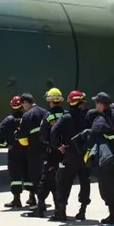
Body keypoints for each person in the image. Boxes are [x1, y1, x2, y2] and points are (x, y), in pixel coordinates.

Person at [87, 92, 114, 225]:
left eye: (96, 103)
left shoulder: (99, 120)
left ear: (100, 104)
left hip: (106, 158)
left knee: (106, 185)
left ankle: (113, 215)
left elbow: (92, 139)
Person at [50, 90, 93, 221]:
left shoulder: (65, 117)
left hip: (70, 156)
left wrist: (58, 145)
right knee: (85, 182)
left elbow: (53, 132)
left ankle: (61, 212)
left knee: (64, 182)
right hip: (85, 156)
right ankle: (82, 211)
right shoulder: (88, 116)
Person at [26, 88, 67, 218]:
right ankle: (59, 208)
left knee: (45, 179)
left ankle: (40, 207)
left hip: (52, 152)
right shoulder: (66, 114)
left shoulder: (48, 116)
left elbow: (43, 136)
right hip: (66, 153)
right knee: (61, 181)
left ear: (49, 101)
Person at [16, 92, 49, 208]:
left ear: (25, 103)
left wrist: (17, 135)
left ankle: (39, 203)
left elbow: (21, 134)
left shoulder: (27, 115)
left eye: (23, 105)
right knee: (45, 175)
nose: (23, 108)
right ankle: (44, 200)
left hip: (34, 150)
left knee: (35, 176)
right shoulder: (45, 112)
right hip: (46, 148)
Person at [0, 96, 26, 208]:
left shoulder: (8, 120)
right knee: (29, 174)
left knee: (15, 175)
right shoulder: (28, 118)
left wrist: (6, 145)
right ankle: (32, 198)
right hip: (27, 150)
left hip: (15, 151)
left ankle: (17, 200)